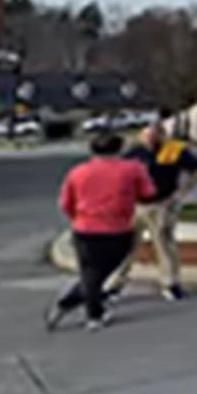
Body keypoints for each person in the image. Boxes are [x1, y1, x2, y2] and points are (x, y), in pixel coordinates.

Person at [47, 132, 154, 331]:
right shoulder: (132, 169)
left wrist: (77, 218)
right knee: (100, 271)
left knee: (90, 270)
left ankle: (80, 306)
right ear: (120, 148)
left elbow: (65, 203)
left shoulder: (77, 172)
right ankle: (87, 311)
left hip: (84, 227)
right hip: (117, 227)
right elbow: (148, 193)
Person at [110, 113, 197, 301]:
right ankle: (114, 285)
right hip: (136, 206)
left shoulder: (174, 150)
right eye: (147, 135)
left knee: (164, 243)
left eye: (155, 134)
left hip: (163, 204)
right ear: (141, 135)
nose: (151, 139)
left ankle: (170, 284)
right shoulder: (133, 154)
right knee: (126, 246)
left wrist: (181, 193)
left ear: (162, 134)